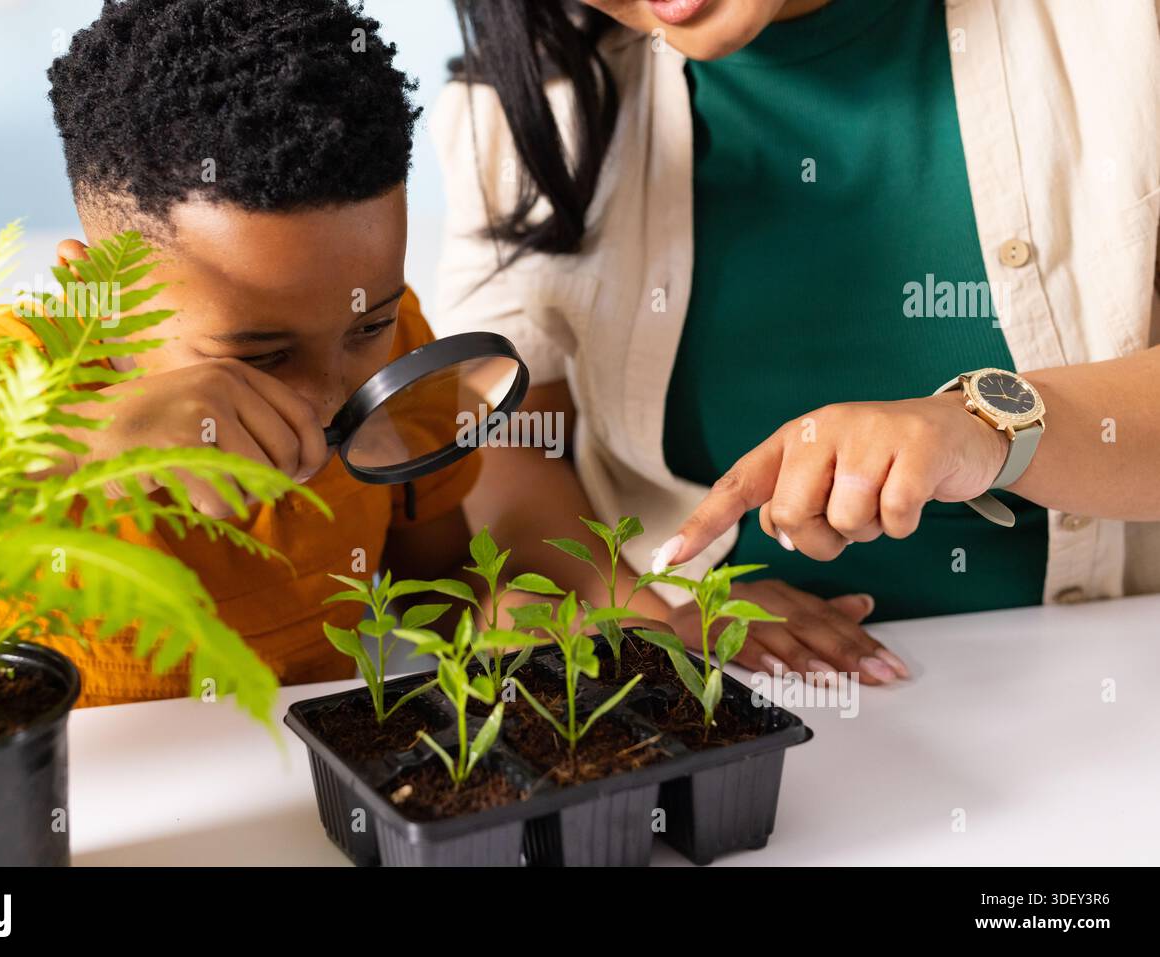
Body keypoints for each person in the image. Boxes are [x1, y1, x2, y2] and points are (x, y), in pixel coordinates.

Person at [434, 0, 1160, 685]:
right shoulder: (522, 108)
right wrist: (659, 621)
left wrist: (984, 425)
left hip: (1109, 680)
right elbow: (511, 447)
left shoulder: (1119, 28)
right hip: (740, 708)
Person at [0, 0, 482, 705]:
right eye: (263, 354)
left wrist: (513, 618)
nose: (326, 399)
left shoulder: (403, 357)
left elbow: (447, 586)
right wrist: (78, 440)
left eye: (366, 325)